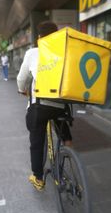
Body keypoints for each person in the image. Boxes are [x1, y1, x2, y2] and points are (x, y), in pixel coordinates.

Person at [17, 21, 72, 191]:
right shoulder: (65, 51)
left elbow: (21, 78)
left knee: (36, 140)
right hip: (62, 105)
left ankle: (38, 178)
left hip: (40, 107)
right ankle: (70, 153)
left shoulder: (33, 52)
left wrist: (21, 90)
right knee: (65, 135)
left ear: (39, 38)